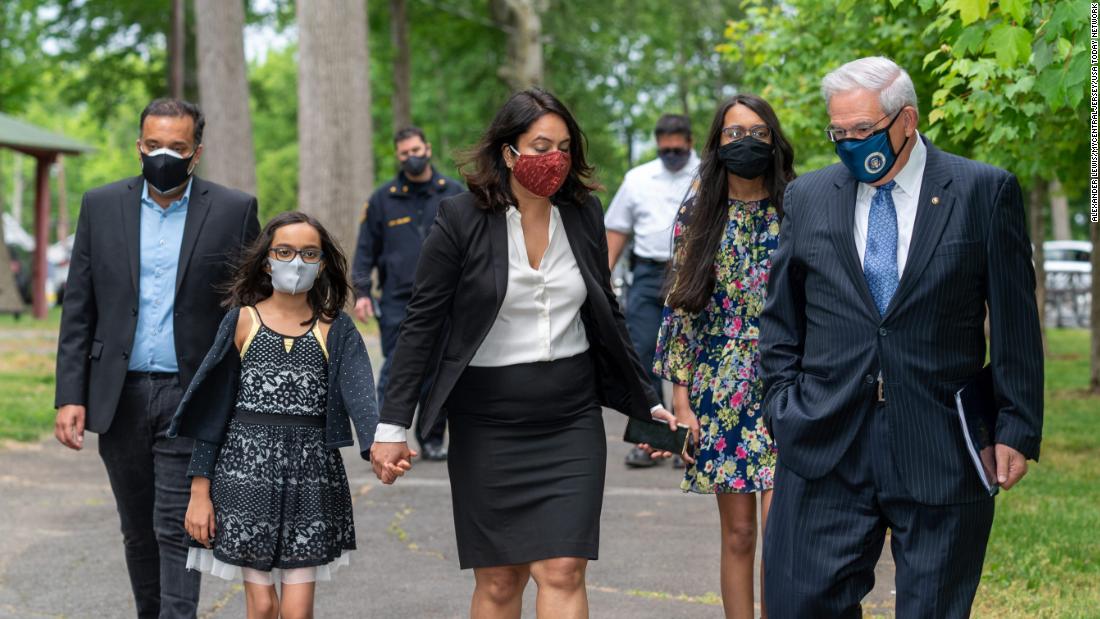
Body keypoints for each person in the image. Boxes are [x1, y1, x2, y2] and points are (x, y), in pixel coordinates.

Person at [369, 89, 678, 618]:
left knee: (563, 569)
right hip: (487, 423)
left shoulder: (583, 213)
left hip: (570, 420)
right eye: (540, 145)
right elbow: (421, 326)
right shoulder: (459, 219)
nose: (553, 158)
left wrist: (646, 403)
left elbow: (607, 314)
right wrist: (392, 426)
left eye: (563, 146)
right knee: (499, 581)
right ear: (508, 152)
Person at [759, 56, 1043, 617]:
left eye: (861, 130)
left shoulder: (983, 192)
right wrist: (782, 407)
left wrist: (1016, 425)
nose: (848, 143)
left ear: (906, 119)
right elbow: (781, 319)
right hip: (824, 439)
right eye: (837, 132)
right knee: (799, 603)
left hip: (941, 444)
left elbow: (1016, 322)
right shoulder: (808, 197)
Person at [53, 98, 260, 619]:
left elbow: (251, 308)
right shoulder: (100, 206)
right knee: (137, 528)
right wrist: (69, 396)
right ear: (138, 144)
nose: (162, 154)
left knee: (176, 524)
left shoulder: (234, 210)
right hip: (118, 394)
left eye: (176, 146)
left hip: (193, 392)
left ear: (197, 152)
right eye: (152, 145)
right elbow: (79, 308)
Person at [167, 212, 379, 619]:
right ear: (267, 259)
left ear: (322, 264)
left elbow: (362, 397)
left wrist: (381, 447)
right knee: (262, 606)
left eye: (308, 253)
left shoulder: (337, 327)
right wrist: (198, 493)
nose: (295, 262)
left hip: (312, 478)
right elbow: (214, 411)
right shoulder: (242, 320)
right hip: (243, 475)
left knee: (298, 612)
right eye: (284, 251)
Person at [653, 94, 794, 619]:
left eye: (758, 132)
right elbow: (681, 311)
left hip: (786, 382)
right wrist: (681, 402)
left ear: (775, 141)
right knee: (738, 533)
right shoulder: (698, 211)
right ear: (715, 145)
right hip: (718, 385)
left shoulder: (798, 206)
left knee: (781, 532)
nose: (746, 143)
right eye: (734, 134)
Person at [351, 126, 464, 461]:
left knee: (439, 371)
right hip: (398, 299)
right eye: (404, 154)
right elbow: (365, 250)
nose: (411, 158)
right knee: (396, 368)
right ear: (398, 157)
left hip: (447, 298)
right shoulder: (383, 199)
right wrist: (362, 292)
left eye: (416, 150)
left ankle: (431, 440)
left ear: (427, 149)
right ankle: (381, 435)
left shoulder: (453, 193)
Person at [604, 113, 699, 468]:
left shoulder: (707, 174)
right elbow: (616, 231)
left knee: (692, 356)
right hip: (647, 273)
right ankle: (651, 439)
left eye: (678, 148)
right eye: (666, 149)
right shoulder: (638, 179)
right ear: (658, 145)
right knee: (641, 352)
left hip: (692, 272)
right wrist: (601, 281)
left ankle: (689, 442)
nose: (672, 153)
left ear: (689, 143)